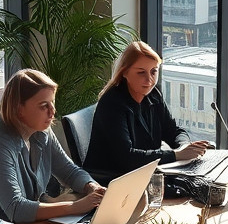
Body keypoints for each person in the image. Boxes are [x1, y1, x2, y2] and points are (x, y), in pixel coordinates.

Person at [0, 69, 105, 224]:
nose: (52, 111)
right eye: (43, 105)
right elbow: (16, 209)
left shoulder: (40, 129)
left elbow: (69, 171)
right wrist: (75, 207)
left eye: (52, 102)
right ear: (19, 109)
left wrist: (91, 187)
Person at [84, 40, 210, 181]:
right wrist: (176, 155)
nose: (149, 79)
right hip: (113, 180)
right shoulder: (112, 104)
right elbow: (127, 158)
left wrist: (185, 146)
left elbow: (173, 130)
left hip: (144, 173)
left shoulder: (154, 95)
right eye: (141, 73)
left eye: (153, 71)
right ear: (124, 72)